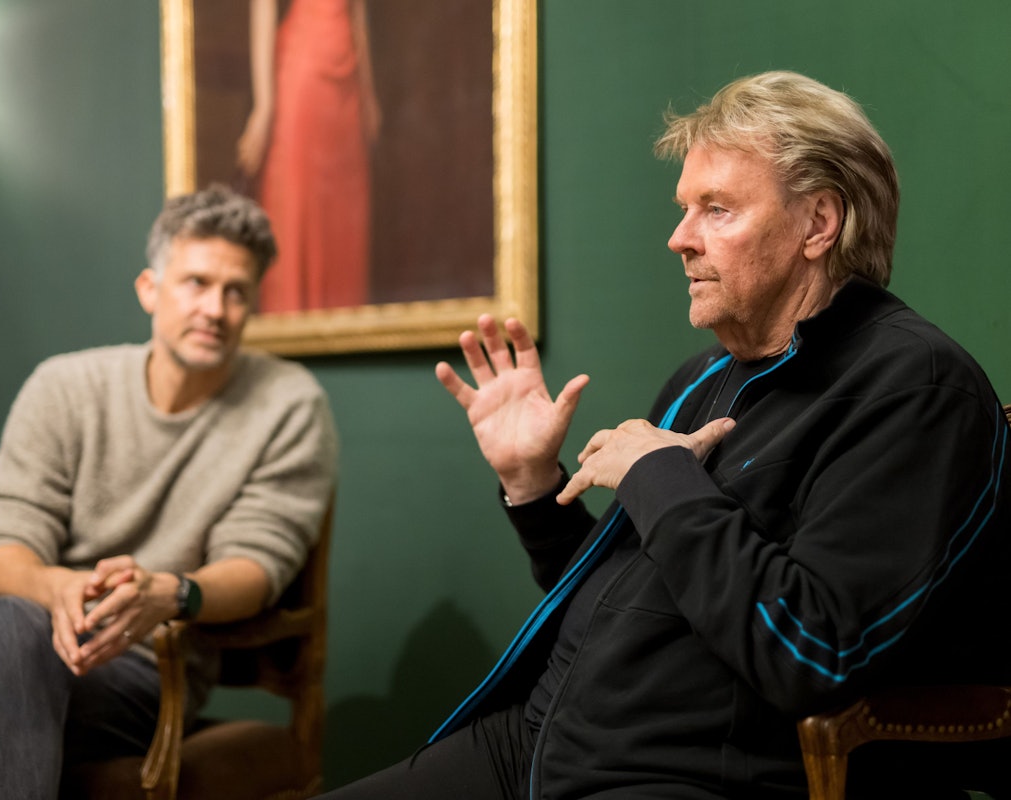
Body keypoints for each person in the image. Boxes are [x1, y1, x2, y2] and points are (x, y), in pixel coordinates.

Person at [318, 71, 1011, 799]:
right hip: (536, 743)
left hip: (687, 771)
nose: (679, 239)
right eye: (685, 210)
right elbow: (637, 599)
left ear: (818, 223)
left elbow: (811, 653)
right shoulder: (703, 376)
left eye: (716, 209)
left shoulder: (916, 387)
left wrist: (658, 475)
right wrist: (534, 487)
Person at [0, 185, 338, 799]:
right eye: (197, 282)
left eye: (236, 292)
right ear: (150, 289)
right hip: (11, 638)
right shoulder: (64, 386)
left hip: (140, 669)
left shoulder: (286, 404)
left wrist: (171, 592)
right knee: (1, 627)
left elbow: (259, 564)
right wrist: (57, 587)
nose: (215, 308)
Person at [236, 0, 380, 313]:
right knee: (296, 200)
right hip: (303, 74)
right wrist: (264, 106)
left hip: (348, 86)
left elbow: (357, 14)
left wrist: (368, 93)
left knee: (345, 212)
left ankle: (347, 322)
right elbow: (263, 6)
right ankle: (292, 320)